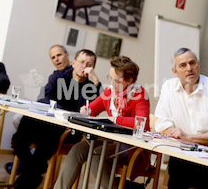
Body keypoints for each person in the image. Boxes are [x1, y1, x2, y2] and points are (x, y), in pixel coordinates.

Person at [54, 56, 150, 189]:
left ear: (130, 80)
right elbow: (93, 108)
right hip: (112, 141)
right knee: (77, 150)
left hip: (132, 146)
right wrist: (86, 110)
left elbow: (142, 124)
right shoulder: (110, 91)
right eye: (110, 78)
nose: (111, 83)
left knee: (96, 157)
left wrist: (116, 120)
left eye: (116, 80)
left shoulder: (139, 94)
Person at [12, 49, 102, 189]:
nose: (84, 66)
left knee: (48, 138)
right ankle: (35, 172)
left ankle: (28, 179)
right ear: (73, 63)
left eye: (89, 64)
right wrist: (62, 112)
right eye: (82, 62)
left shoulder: (90, 87)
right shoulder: (58, 76)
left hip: (68, 130)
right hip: (49, 122)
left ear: (93, 68)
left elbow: (96, 106)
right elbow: (47, 97)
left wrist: (95, 80)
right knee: (20, 134)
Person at [155, 47, 208, 189]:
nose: (189, 68)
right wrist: (176, 134)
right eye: (183, 65)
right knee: (178, 168)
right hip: (182, 156)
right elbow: (162, 124)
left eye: (192, 63)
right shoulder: (168, 88)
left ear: (198, 64)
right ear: (175, 72)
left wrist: (188, 137)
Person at [4, 44, 72, 174]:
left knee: (26, 127)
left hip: (60, 122)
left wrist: (54, 105)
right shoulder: (55, 76)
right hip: (48, 115)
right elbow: (45, 97)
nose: (56, 59)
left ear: (67, 56)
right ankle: (34, 163)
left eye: (59, 55)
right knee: (19, 120)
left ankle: (27, 164)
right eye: (53, 57)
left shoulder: (73, 76)